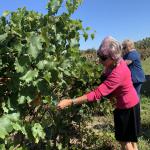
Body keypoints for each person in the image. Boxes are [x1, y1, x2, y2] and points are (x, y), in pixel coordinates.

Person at [57, 36, 140, 150]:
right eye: (100, 56)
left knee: (124, 141)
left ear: (113, 57)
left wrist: (70, 102)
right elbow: (107, 77)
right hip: (132, 102)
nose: (100, 60)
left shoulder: (117, 73)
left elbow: (97, 94)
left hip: (126, 108)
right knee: (131, 139)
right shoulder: (117, 62)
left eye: (103, 58)